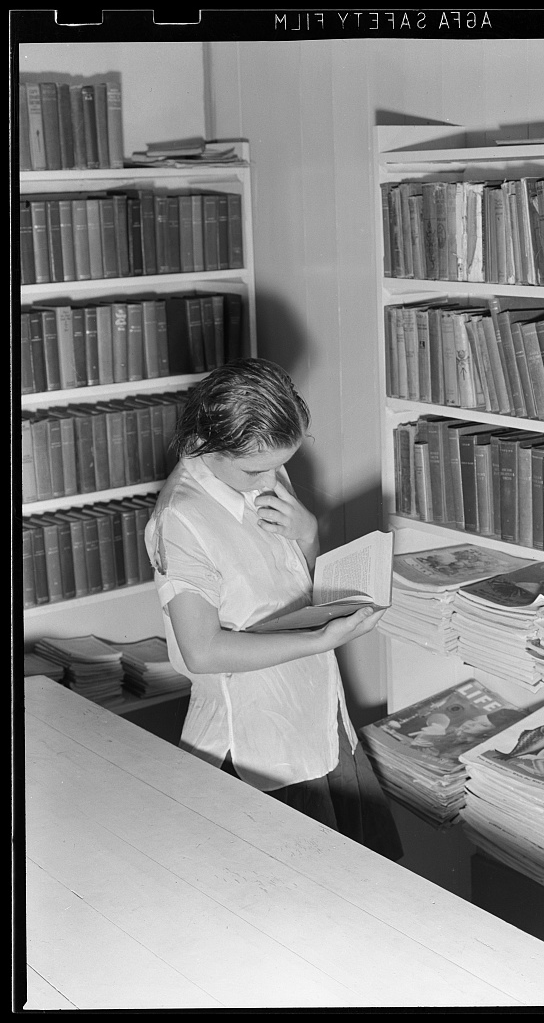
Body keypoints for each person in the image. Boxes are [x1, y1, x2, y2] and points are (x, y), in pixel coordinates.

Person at [144, 358, 403, 860]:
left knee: (363, 873)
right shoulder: (181, 520)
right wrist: (320, 639)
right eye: (256, 470)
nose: (271, 478)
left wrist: (309, 534)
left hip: (317, 715)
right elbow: (202, 651)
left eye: (281, 464)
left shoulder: (258, 469)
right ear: (204, 441)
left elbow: (295, 582)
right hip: (257, 744)